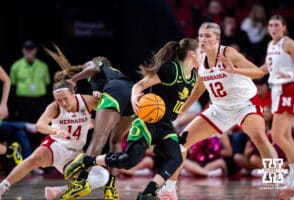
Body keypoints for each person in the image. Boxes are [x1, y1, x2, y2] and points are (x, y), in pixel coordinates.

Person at [63, 38, 201, 199]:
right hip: (147, 120)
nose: (203, 55)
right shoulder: (170, 70)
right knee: (127, 161)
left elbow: (177, 105)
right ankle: (87, 162)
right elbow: (139, 85)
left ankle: (148, 193)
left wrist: (178, 125)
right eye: (201, 52)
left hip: (165, 123)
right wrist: (135, 98)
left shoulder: (193, 77)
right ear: (191, 54)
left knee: (176, 157)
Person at [156, 22, 278, 200]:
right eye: (200, 36)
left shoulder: (228, 53)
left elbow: (258, 72)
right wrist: (179, 110)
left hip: (245, 104)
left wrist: (234, 69)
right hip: (220, 108)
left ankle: (275, 186)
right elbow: (197, 90)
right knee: (180, 143)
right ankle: (170, 190)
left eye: (207, 36)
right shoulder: (200, 60)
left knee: (259, 137)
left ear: (217, 39)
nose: (202, 39)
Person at [45, 45, 134, 199]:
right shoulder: (111, 75)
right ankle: (111, 189)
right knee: (116, 141)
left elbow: (93, 67)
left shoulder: (96, 65)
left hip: (116, 90)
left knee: (98, 138)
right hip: (131, 94)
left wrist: (73, 79)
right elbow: (101, 84)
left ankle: (81, 181)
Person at [0, 80, 109, 200]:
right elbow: (40, 125)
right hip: (57, 145)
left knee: (102, 175)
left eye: (65, 98)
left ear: (73, 93)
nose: (63, 102)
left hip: (75, 153)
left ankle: (59, 191)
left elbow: (111, 109)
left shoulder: (86, 101)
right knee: (34, 159)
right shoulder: (54, 107)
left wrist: (101, 97)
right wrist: (55, 131)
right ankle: (3, 186)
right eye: (59, 99)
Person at [259, 15, 294, 198]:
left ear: (283, 27)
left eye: (276, 25)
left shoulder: (287, 42)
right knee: (283, 135)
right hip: (276, 89)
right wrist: (239, 71)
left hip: (288, 88)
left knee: (277, 135)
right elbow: (265, 69)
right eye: (270, 25)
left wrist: (292, 73)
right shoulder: (270, 45)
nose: (273, 28)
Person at [10, 40, 51, 123]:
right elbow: (12, 85)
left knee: (41, 123)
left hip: (39, 100)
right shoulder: (15, 66)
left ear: (35, 50)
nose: (29, 51)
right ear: (23, 50)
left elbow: (47, 83)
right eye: (26, 49)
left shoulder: (43, 66)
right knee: (23, 123)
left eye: (31, 49)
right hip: (23, 101)